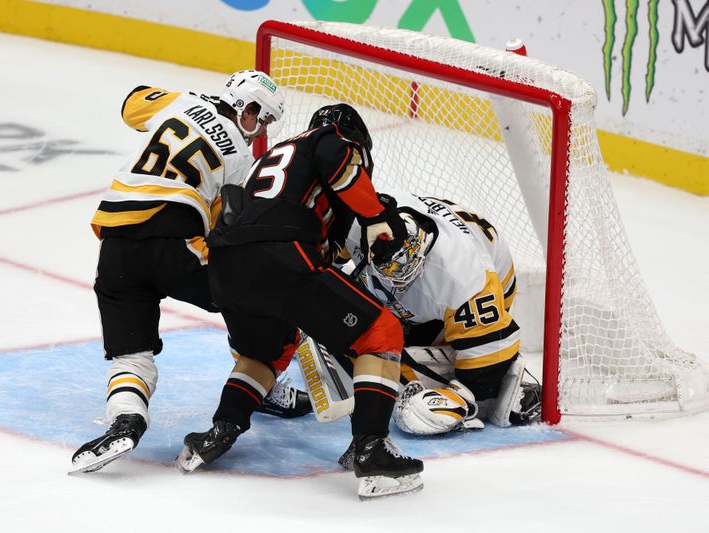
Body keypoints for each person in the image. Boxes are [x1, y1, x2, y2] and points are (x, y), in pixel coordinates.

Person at [175, 103, 425, 500]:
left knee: (266, 352)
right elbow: (337, 162)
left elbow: (326, 248)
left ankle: (221, 429)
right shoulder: (328, 139)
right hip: (279, 253)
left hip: (226, 263)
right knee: (381, 331)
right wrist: (377, 214)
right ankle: (373, 451)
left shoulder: (272, 162)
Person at [70, 70, 308, 474]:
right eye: (261, 117)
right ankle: (259, 378)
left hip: (115, 247)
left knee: (131, 352)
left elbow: (132, 104)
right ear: (244, 108)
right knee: (251, 297)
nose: (260, 129)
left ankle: (127, 419)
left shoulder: (180, 103)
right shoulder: (241, 162)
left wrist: (185, 102)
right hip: (173, 240)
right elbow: (225, 227)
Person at [338, 189, 541, 439]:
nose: (400, 273)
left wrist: (463, 396)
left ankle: (496, 382)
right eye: (391, 268)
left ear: (418, 242)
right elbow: (327, 253)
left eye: (405, 262)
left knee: (394, 368)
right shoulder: (362, 224)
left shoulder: (464, 275)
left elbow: (493, 342)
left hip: (491, 288)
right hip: (427, 280)